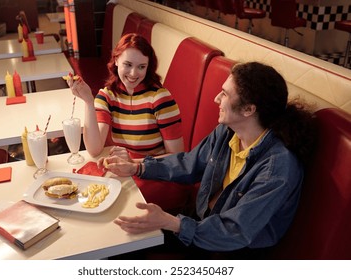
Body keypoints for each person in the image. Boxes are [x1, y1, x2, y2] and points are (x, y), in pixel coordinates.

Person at [100, 62, 318, 259]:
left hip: (234, 251)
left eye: (224, 94)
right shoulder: (227, 131)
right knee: (119, 241)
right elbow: (189, 163)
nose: (216, 99)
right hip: (201, 222)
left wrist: (171, 222)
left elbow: (235, 232)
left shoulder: (278, 168)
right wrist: (138, 166)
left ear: (249, 109)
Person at [67, 33, 190, 213]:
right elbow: (94, 148)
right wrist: (88, 101)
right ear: (116, 60)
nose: (134, 74)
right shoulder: (107, 95)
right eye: (128, 65)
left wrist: (134, 162)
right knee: (85, 198)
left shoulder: (160, 98)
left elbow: (177, 157)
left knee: (106, 205)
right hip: (125, 174)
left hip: (158, 176)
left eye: (141, 67)